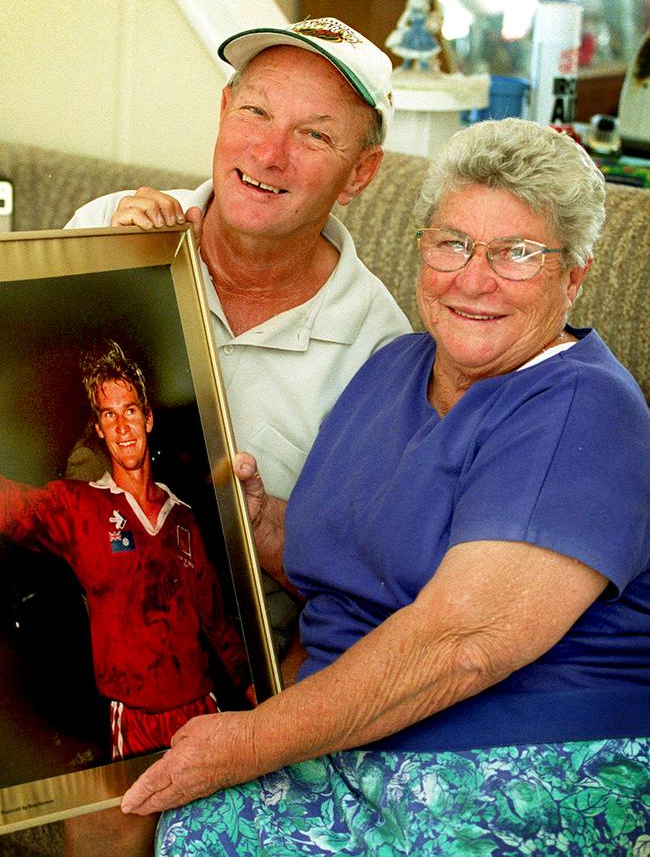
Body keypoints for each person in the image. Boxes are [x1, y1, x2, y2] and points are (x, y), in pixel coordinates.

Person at [120, 119, 650, 856]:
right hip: (363, 742)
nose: (473, 279)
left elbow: (461, 644)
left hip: (520, 754)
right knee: (164, 813)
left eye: (517, 254)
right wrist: (259, 521)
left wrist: (248, 742)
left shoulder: (580, 406)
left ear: (575, 275)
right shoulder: (393, 365)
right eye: (453, 243)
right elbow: (344, 557)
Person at [65, 15, 411, 654]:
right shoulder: (109, 229)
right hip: (53, 617)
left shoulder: (383, 352)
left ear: (360, 173)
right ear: (224, 111)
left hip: (223, 674)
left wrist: (265, 526)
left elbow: (369, 594)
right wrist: (109, 270)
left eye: (314, 135)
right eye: (255, 112)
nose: (269, 153)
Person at [0, 340, 251, 851]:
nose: (122, 426)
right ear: (98, 429)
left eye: (130, 411)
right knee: (140, 831)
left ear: (148, 418)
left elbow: (220, 626)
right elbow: (16, 509)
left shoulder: (182, 519)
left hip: (202, 712)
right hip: (133, 719)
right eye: (109, 415)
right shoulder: (81, 508)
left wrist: (260, 705)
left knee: (225, 832)